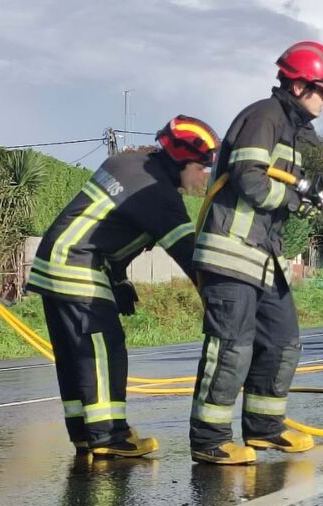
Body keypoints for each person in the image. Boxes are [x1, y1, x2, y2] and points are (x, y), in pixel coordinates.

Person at [188, 41, 323, 465]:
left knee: (282, 342)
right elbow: (251, 181)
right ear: (297, 86)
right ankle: (209, 440)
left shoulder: (289, 130)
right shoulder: (263, 117)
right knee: (232, 346)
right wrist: (295, 197)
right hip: (231, 254)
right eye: (321, 90)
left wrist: (301, 193)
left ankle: (263, 429)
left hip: (263, 259)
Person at [26, 116, 219, 458]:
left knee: (73, 356)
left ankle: (85, 433)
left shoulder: (128, 164)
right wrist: (220, 302)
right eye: (202, 167)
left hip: (54, 261)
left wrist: (118, 279)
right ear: (182, 160)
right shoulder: (158, 193)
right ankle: (109, 436)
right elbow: (190, 257)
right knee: (103, 348)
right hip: (79, 265)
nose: (205, 176)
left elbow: (109, 227)